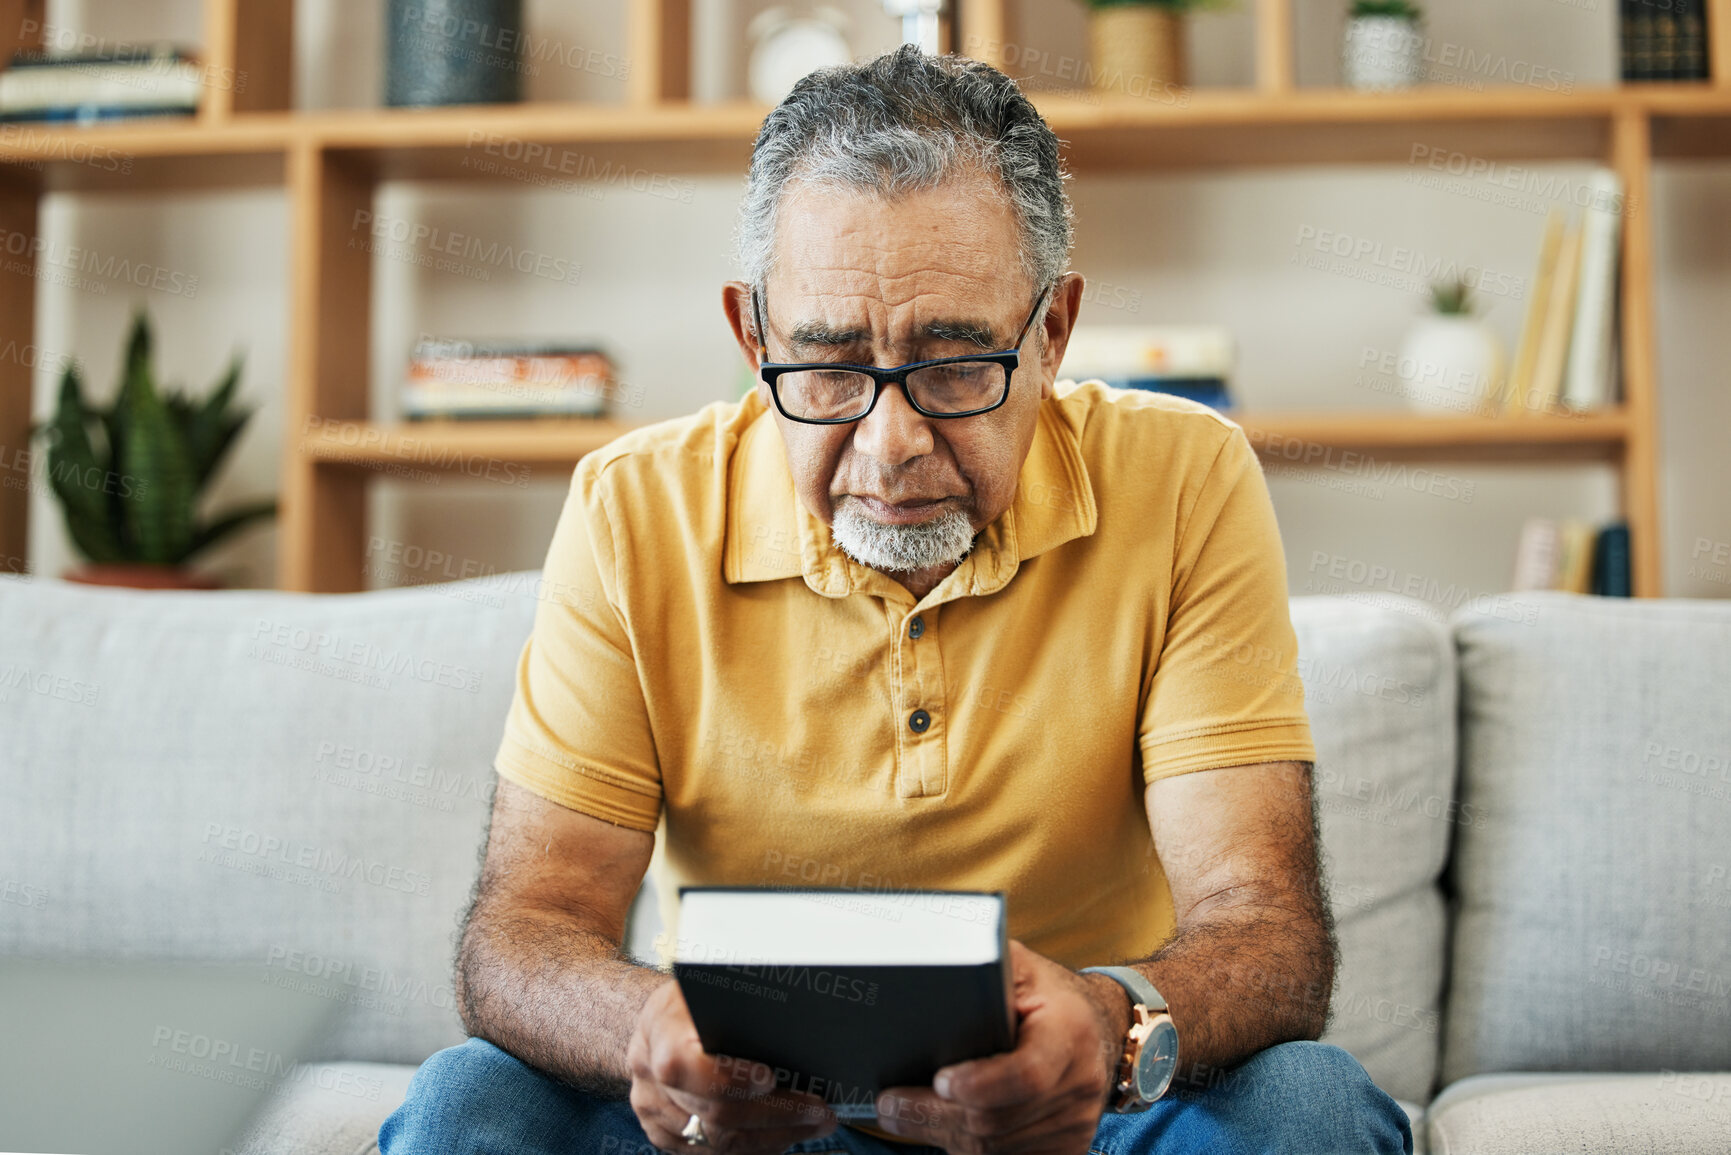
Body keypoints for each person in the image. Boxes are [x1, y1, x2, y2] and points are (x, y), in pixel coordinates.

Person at [380, 46, 1412, 1155]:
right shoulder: (634, 510)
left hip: (1078, 1117)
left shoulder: (1186, 478)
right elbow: (523, 931)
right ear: (753, 335)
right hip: (748, 1123)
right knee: (465, 1105)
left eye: (958, 364)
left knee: (1309, 1105)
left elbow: (1266, 927)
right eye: (826, 368)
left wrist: (1112, 1027)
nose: (891, 446)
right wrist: (651, 1031)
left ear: (1052, 333)